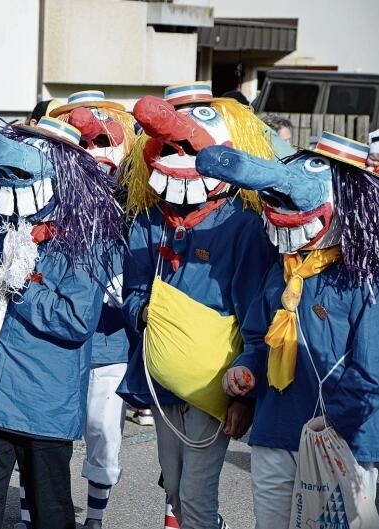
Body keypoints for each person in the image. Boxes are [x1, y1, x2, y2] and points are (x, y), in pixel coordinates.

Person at [0, 116, 124, 529]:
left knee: (49, 510)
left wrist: (20, 287)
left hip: (47, 401)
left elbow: (75, 319)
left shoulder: (88, 237)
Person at [197, 133, 379, 529]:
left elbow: (370, 370)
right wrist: (245, 375)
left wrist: (333, 427)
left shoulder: (364, 280)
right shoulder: (281, 272)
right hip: (276, 430)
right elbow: (259, 338)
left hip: (341, 442)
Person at [118, 82, 274, 529]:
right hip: (163, 386)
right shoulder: (148, 222)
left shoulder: (243, 226)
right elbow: (131, 294)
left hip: (214, 386)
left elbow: (255, 316)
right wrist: (143, 312)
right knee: (173, 490)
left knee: (196, 495)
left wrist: (246, 391)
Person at [48, 90, 137, 529]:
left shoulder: (139, 200)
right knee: (51, 436)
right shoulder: (52, 197)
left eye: (103, 141)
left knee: (104, 431)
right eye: (84, 143)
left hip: (109, 342)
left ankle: (95, 520)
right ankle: (47, 512)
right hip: (58, 342)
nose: (93, 153)